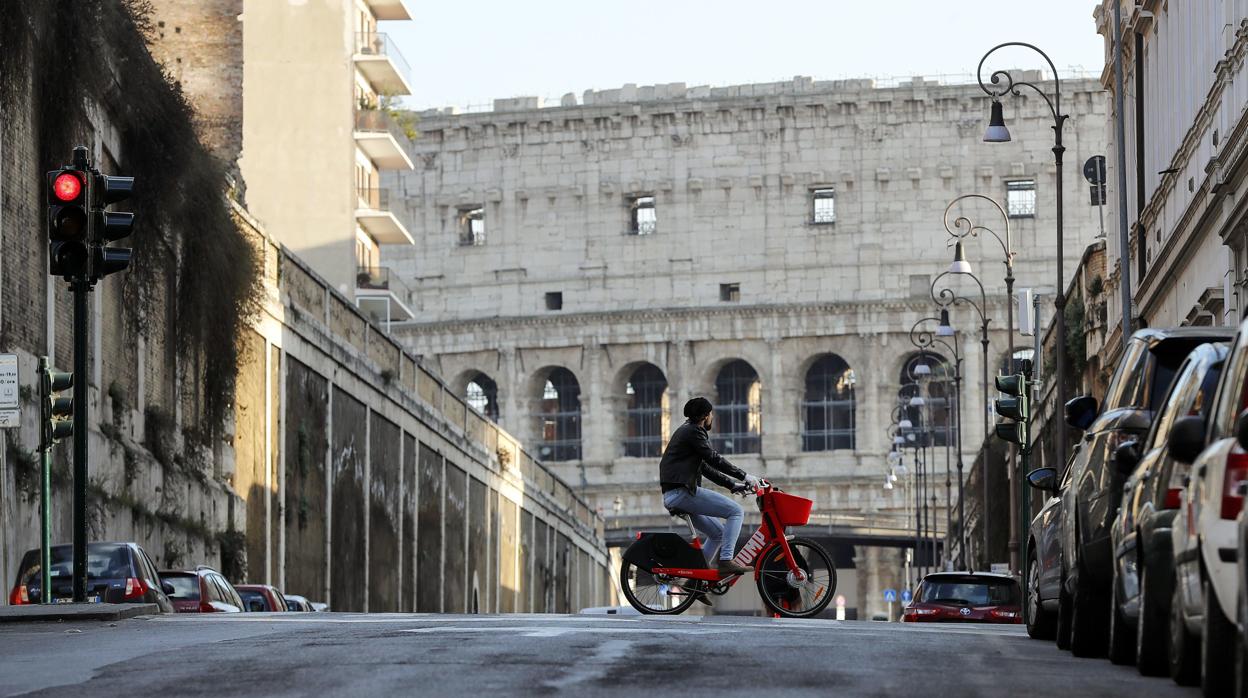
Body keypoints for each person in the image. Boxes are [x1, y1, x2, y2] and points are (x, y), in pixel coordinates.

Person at [658, 396, 762, 577]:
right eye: (711, 414)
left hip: (675, 493)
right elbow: (713, 459)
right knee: (736, 511)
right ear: (706, 416)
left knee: (718, 534)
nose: (712, 418)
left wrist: (733, 485)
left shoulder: (686, 431)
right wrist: (745, 476)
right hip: (682, 492)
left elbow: (705, 469)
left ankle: (695, 580)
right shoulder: (694, 432)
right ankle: (726, 561)